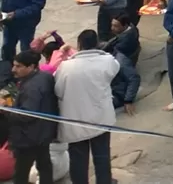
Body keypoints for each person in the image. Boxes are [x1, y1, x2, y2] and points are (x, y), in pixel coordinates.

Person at [54, 29, 119, 184]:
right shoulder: (107, 61)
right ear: (96, 44)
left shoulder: (65, 67)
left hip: (75, 120)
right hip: (101, 118)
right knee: (102, 156)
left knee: (78, 159)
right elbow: (114, 70)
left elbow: (58, 91)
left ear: (79, 44)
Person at [8, 49, 59, 184]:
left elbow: (27, 115)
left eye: (18, 66)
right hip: (44, 133)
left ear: (31, 66)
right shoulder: (45, 77)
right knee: (45, 166)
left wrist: (6, 110)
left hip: (28, 137)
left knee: (21, 173)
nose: (14, 69)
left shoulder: (32, 88)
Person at [103, 13, 140, 113]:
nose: (112, 28)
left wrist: (128, 100)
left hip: (117, 92)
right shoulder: (131, 29)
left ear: (125, 26)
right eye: (112, 25)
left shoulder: (120, 57)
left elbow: (134, 78)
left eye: (116, 26)